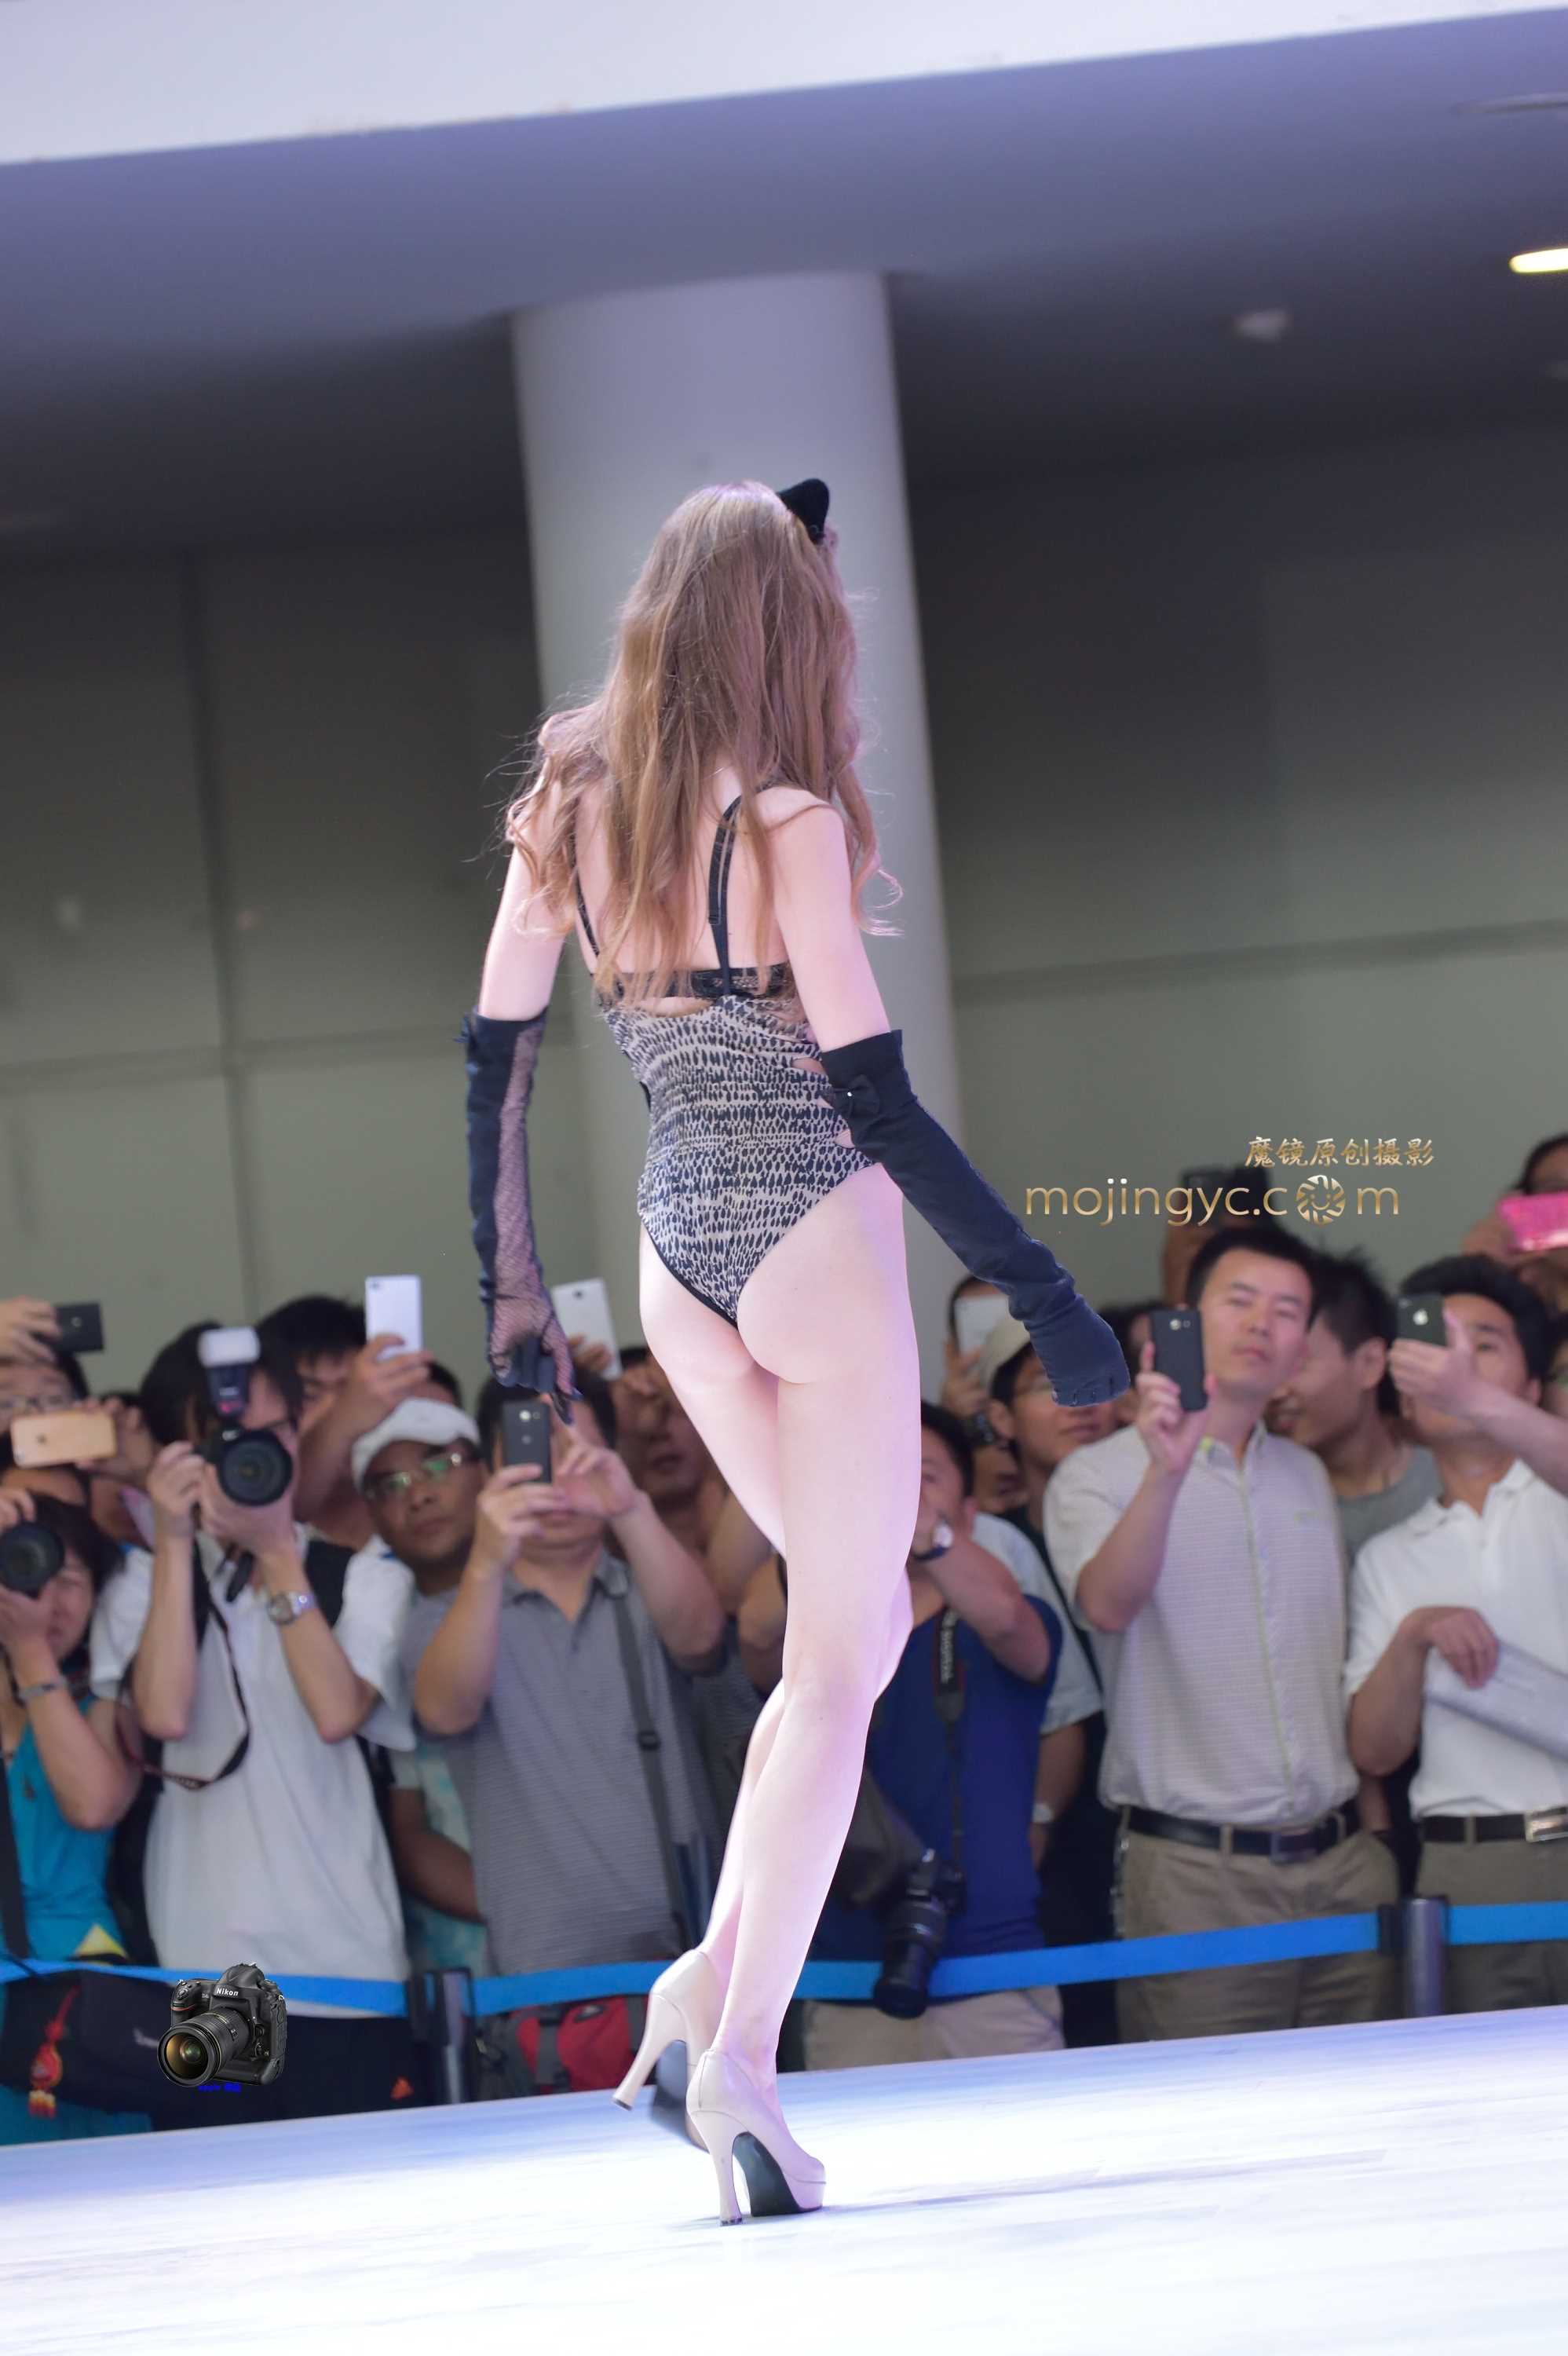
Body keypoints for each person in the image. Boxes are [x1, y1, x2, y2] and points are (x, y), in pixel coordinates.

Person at [462, 477, 1125, 2223]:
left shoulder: (569, 811)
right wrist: (1045, 1295)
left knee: (850, 1639)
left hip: (676, 1248)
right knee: (839, 1665)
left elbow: (495, 1068)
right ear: (792, 634)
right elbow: (876, 1099)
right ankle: (740, 2067)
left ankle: (699, 1990)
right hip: (813, 1233)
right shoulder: (784, 821)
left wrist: (509, 1293)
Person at [1045, 1225, 1398, 2042]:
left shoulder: (1305, 1473)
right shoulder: (1096, 1476)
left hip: (1342, 1862)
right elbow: (1106, 1605)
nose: (1261, 1324)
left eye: (1287, 1311)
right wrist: (1167, 1472)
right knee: (1211, 2107)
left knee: (1367, 2097)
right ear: (1182, 1317)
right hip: (1195, 1873)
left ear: (1300, 1347)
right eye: (1239, 1301)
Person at [87, 1322, 421, 2122]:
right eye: (227, 1441)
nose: (256, 1456)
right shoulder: (142, 1584)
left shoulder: (362, 1574)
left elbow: (336, 1712)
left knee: (370, 2189)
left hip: (352, 1965)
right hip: (208, 1975)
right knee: (229, 2194)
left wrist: (276, 1554)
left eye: (275, 1432)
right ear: (177, 1455)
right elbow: (164, 1714)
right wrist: (173, 1542)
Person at [800, 1404, 1064, 2069]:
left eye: (920, 1475)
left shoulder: (1006, 1623)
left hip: (995, 1978)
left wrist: (925, 1533)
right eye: (878, 1473)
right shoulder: (811, 1635)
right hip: (847, 1980)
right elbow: (740, 1631)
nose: (894, 1490)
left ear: (968, 1515)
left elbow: (1010, 1623)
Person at [1345, 1256, 1568, 2012]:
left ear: (1531, 1389)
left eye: (1483, 1346)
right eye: (1436, 1347)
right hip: (1470, 1863)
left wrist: (1472, 1397)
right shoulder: (1386, 1557)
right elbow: (1374, 1753)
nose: (1452, 1364)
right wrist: (1412, 1636)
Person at [0, 1491, 149, 2142]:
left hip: (71, 1991)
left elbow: (93, 1805)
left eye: (69, 1581)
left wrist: (29, 1653)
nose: (46, 1600)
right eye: (25, 1569)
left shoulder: (106, 1700)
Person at [349, 1398, 492, 1979]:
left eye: (438, 1466)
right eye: (392, 1485)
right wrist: (530, 1911)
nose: (419, 1496)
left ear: (485, 1473)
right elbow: (409, 1830)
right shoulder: (383, 1630)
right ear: (373, 1515)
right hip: (466, 1972)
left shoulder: (552, 1585)